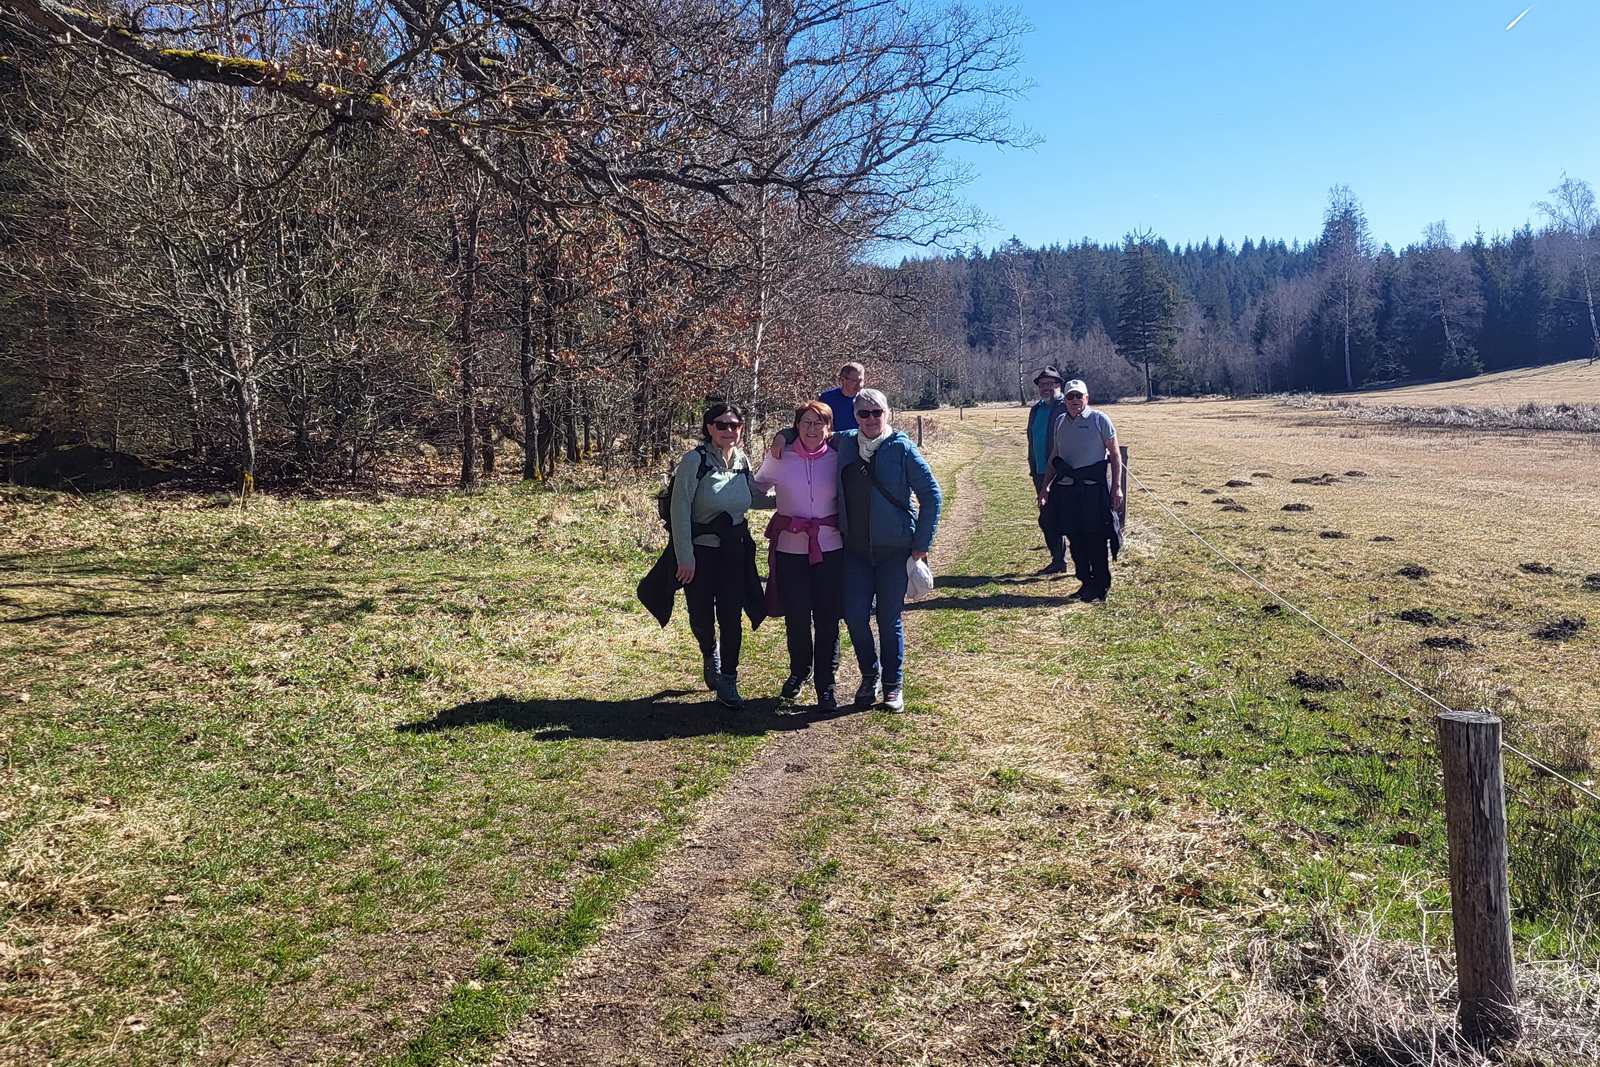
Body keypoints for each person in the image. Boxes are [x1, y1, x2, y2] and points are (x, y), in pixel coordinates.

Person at [833, 388, 940, 711]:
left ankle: (893, 686)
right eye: (863, 413)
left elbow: (932, 495)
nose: (871, 419)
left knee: (888, 619)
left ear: (887, 413)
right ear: (855, 416)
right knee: (854, 617)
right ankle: (870, 675)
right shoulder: (845, 443)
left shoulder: (901, 447)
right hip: (854, 550)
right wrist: (783, 436)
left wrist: (921, 545)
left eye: (876, 412)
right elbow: (809, 430)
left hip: (895, 550)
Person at [669, 401, 767, 709]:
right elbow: (679, 510)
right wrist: (685, 556)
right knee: (700, 616)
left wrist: (797, 499)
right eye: (721, 425)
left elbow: (753, 498)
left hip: (734, 551)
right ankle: (709, 649)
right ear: (709, 427)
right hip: (700, 553)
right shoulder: (694, 461)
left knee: (731, 616)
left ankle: (728, 680)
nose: (728, 430)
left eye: (734, 425)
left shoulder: (742, 460)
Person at [754, 401, 843, 710]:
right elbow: (756, 489)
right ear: (796, 426)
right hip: (790, 550)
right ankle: (799, 671)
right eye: (806, 422)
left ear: (829, 429)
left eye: (819, 423)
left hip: (830, 549)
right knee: (797, 616)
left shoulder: (839, 458)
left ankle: (826, 685)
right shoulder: (780, 456)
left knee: (827, 617)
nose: (812, 429)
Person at [1037, 379, 1124, 603]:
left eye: (1079, 396)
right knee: (1075, 538)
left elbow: (1115, 455)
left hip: (1094, 491)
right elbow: (1055, 456)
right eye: (1070, 396)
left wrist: (1116, 487)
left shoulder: (1099, 419)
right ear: (1065, 400)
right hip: (1067, 491)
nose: (1074, 400)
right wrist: (1045, 487)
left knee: (1096, 538)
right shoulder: (1060, 422)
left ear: (1087, 398)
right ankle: (1085, 583)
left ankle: (1100, 588)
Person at [1026, 366, 1069, 575]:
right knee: (1047, 518)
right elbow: (1032, 439)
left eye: (1049, 384)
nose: (1045, 388)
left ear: (1058, 385)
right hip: (1040, 473)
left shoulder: (1066, 406)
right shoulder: (1036, 410)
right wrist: (1033, 466)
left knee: (1069, 517)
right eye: (1042, 385)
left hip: (1063, 473)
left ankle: (1084, 561)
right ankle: (1058, 560)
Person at [817, 362, 865, 432]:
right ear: (842, 380)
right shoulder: (827, 398)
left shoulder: (866, 399)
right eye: (855, 381)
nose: (859, 385)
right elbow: (820, 424)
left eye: (861, 381)